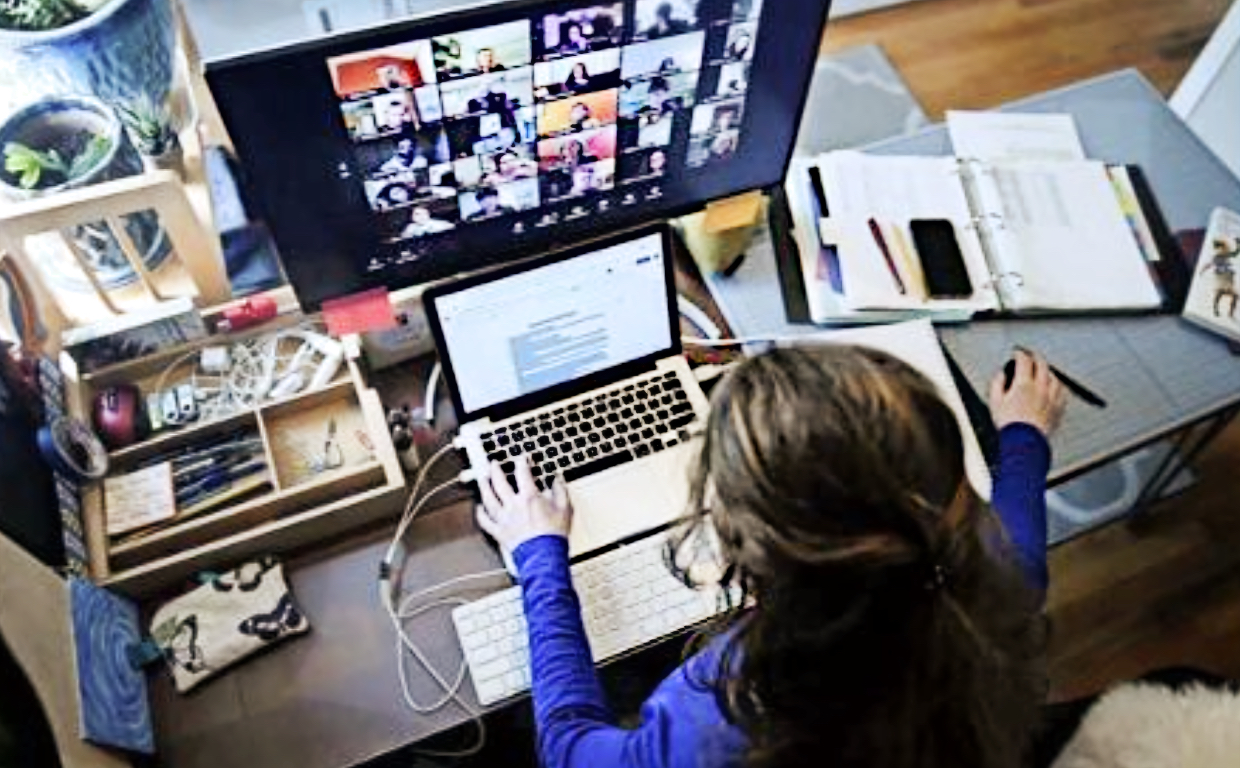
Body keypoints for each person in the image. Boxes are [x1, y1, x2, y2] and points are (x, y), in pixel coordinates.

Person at [476, 346, 1066, 768]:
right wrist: (1024, 436)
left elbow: (570, 749)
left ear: (754, 545)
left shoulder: (727, 714)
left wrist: (539, 557)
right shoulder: (989, 588)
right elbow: (1019, 546)